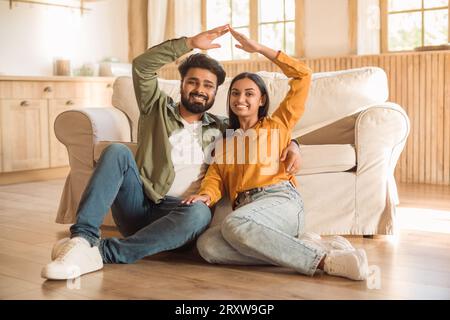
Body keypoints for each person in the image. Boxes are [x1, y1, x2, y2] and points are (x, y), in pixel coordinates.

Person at [41, 25, 302, 280]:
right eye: (193, 82)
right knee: (116, 151)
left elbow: (262, 133)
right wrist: (188, 43)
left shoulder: (223, 127)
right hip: (140, 204)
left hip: (181, 215)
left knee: (201, 213)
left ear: (216, 92)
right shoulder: (156, 108)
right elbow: (142, 66)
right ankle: (81, 240)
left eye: (208, 85)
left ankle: (101, 253)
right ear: (182, 84)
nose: (200, 89)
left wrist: (293, 144)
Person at [183, 27, 369, 281]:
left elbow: (303, 75)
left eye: (250, 93)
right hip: (247, 211)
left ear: (261, 100)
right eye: (235, 93)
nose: (241, 98)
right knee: (208, 246)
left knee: (233, 225)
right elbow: (214, 179)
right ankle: (310, 246)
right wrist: (205, 195)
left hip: (280, 201)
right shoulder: (225, 141)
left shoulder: (278, 124)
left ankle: (327, 261)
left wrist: (259, 49)